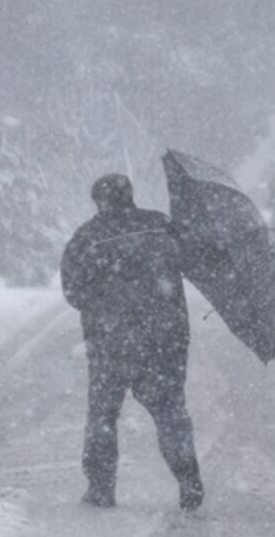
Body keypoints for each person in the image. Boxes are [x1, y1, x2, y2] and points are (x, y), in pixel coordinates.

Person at [60, 174, 204, 512]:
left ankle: (101, 488)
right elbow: (196, 259)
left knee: (103, 415)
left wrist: (105, 306)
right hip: (166, 338)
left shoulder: (87, 238)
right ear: (131, 196)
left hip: (111, 342)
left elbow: (73, 291)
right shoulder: (160, 226)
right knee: (170, 411)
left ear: (99, 201)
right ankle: (188, 477)